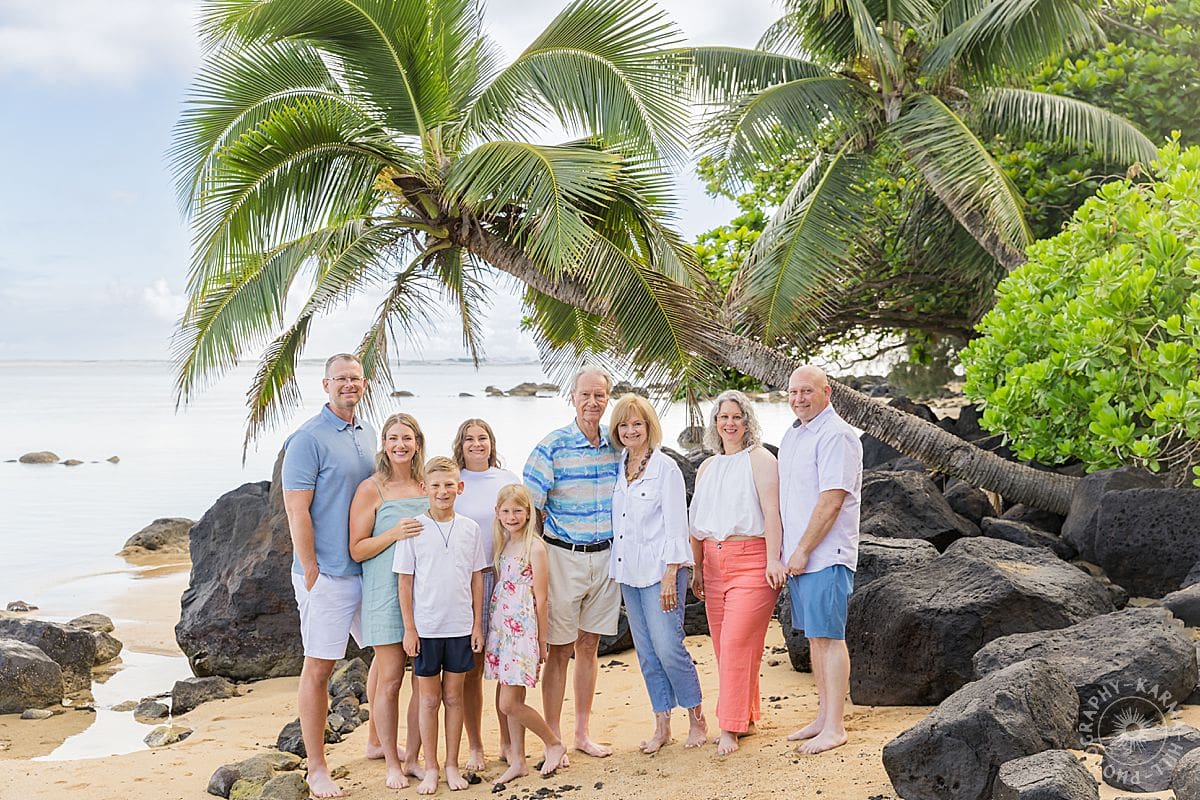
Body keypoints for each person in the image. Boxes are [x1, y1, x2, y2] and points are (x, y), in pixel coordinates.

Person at [281, 353, 376, 798]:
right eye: (341, 379)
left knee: (387, 655)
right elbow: (296, 510)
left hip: (368, 568)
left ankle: (378, 742)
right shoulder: (307, 439)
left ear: (364, 383)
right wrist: (312, 569)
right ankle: (317, 767)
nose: (348, 385)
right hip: (328, 577)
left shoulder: (367, 433)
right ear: (325, 385)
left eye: (355, 379)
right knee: (319, 667)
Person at [523, 366, 621, 764]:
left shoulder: (618, 447)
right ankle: (554, 739)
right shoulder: (552, 447)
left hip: (606, 557)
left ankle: (582, 732)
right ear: (573, 397)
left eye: (600, 395)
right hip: (564, 557)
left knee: (590, 646)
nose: (593, 402)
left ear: (608, 398)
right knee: (560, 650)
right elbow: (529, 508)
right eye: (586, 395)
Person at [688, 390, 787, 756]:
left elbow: (773, 511)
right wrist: (697, 567)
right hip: (713, 564)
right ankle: (744, 716)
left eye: (736, 417)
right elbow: (696, 524)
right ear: (714, 424)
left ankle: (728, 727)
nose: (729, 423)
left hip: (752, 560)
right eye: (722, 417)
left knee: (735, 644)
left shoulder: (760, 459)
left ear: (748, 422)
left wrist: (774, 560)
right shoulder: (707, 467)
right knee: (725, 647)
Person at [608, 394, 707, 753]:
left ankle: (696, 718)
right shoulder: (619, 465)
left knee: (669, 647)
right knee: (647, 652)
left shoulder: (666, 468)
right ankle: (661, 724)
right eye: (624, 424)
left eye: (637, 423)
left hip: (662, 571)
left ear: (649, 427)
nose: (631, 430)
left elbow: (677, 526)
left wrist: (671, 574)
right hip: (628, 572)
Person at [779, 366, 862, 755]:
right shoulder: (795, 433)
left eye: (806, 391)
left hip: (826, 555)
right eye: (793, 392)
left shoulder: (837, 435)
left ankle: (835, 726)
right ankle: (821, 716)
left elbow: (832, 500)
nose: (798, 398)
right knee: (814, 637)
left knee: (830, 637)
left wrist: (803, 549)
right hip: (801, 558)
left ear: (826, 392)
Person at [395, 456, 488, 795]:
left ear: (459, 488)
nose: (443, 491)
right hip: (427, 629)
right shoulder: (414, 528)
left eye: (449, 485)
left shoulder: (470, 529)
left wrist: (478, 625)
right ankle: (430, 766)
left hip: (461, 627)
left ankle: (452, 764)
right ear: (425, 489)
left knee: (455, 698)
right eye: (435, 486)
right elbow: (405, 583)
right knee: (429, 700)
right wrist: (409, 628)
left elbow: (477, 579)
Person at [348, 413, 427, 788]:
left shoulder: (427, 485)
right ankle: (391, 761)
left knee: (424, 680)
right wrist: (394, 533)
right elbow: (358, 549)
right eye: (393, 438)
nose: (400, 444)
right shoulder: (371, 488)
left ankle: (412, 756)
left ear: (417, 443)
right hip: (383, 593)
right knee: (391, 678)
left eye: (407, 438)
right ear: (383, 443)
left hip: (425, 595)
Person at [484, 483, 568, 785]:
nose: (511, 516)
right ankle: (518, 760)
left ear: (528, 512)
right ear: (497, 513)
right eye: (506, 511)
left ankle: (554, 742)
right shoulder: (503, 543)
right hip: (501, 630)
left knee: (508, 703)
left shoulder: (535, 547)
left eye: (518, 510)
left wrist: (541, 640)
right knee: (511, 696)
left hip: (522, 632)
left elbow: (542, 597)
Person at [451, 418, 520, 770]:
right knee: (473, 667)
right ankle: (476, 745)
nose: (476, 444)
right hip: (468, 580)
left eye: (482, 438)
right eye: (469, 439)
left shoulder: (507, 479)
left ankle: (508, 742)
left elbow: (523, 525)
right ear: (460, 445)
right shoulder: (454, 481)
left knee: (506, 664)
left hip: (505, 576)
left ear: (491, 442)